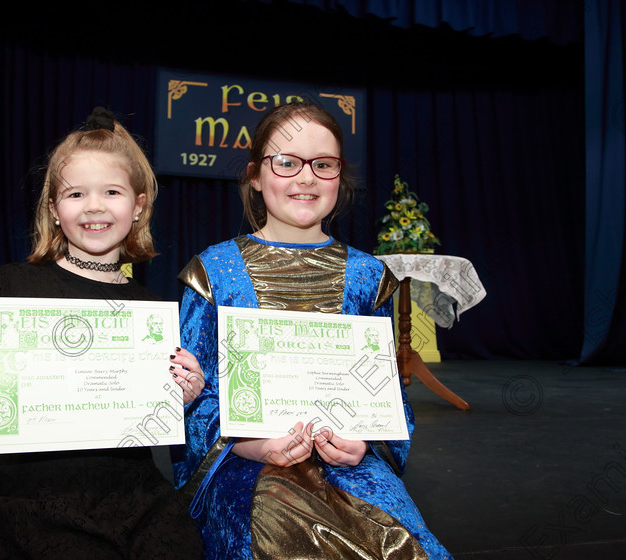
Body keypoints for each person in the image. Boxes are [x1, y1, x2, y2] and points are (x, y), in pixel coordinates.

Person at [0, 108, 205, 559]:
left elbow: (150, 421)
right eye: (75, 194)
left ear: (139, 205)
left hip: (129, 490)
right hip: (26, 491)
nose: (93, 206)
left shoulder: (150, 311)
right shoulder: (15, 284)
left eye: (111, 191)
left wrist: (180, 395)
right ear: (53, 209)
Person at [173, 101, 452, 559]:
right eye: (286, 162)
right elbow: (192, 393)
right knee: (278, 539)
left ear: (339, 178)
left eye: (322, 165)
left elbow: (387, 395)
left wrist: (366, 439)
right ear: (255, 175)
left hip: (351, 465)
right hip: (248, 467)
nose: (305, 178)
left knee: (402, 547)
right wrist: (252, 445)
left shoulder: (367, 275)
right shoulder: (214, 271)